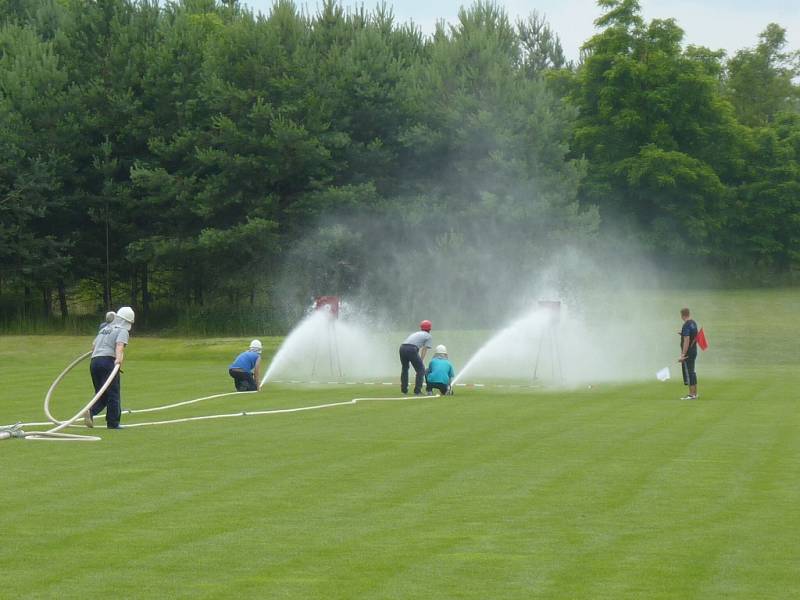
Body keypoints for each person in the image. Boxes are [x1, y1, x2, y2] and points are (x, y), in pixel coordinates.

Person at [85, 306, 135, 429]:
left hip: (94, 362)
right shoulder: (122, 331)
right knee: (113, 393)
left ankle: (91, 411)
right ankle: (113, 423)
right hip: (108, 362)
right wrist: (118, 360)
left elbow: (93, 346)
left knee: (102, 394)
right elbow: (119, 346)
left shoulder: (104, 329)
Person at [399, 320, 433, 395]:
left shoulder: (416, 333)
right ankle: (417, 391)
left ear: (421, 328)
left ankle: (404, 390)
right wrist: (421, 360)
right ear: (430, 329)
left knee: (405, 368)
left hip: (402, 347)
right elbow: (424, 349)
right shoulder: (429, 336)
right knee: (421, 370)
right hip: (411, 349)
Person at [678, 307, 699, 399]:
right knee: (692, 372)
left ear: (682, 315)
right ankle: (694, 394)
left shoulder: (686, 325)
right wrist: (682, 334)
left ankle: (691, 395)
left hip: (688, 352)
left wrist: (683, 354)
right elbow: (693, 335)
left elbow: (687, 340)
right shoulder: (693, 323)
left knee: (689, 372)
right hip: (694, 350)